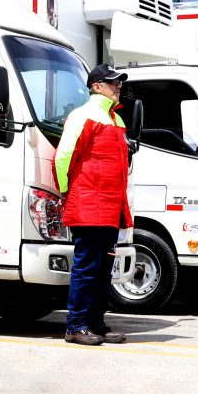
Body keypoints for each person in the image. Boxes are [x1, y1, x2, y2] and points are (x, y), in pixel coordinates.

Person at [54, 64, 133, 346]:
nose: (118, 87)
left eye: (119, 83)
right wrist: (66, 192)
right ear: (96, 86)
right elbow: (64, 157)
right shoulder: (83, 115)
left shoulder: (116, 120)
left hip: (110, 206)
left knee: (103, 270)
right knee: (87, 268)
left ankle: (96, 324)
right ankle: (75, 326)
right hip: (89, 203)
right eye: (112, 83)